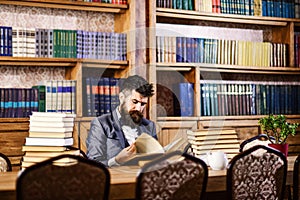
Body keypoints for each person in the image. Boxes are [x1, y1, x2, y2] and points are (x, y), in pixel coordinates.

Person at [86, 75, 157, 167]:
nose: (139, 108)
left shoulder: (149, 126)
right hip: (115, 179)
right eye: (134, 102)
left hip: (143, 179)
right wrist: (116, 161)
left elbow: (155, 159)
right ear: (121, 97)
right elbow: (92, 163)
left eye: (143, 104)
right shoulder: (101, 124)